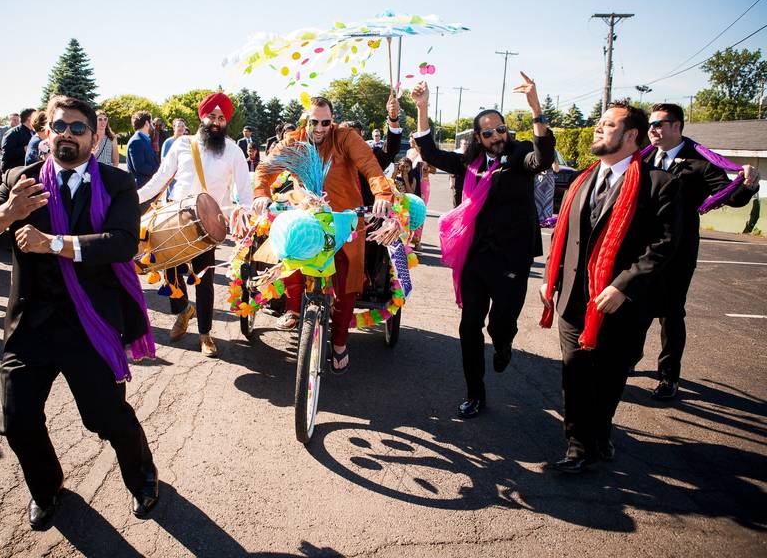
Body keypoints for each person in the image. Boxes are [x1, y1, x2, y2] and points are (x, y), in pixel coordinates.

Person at [0, 94, 159, 528]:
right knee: (16, 422)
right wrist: (8, 212)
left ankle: (142, 475)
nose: (66, 135)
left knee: (106, 418)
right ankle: (46, 489)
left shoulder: (118, 182)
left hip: (90, 327)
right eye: (58, 126)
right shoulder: (19, 178)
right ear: (46, 131)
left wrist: (55, 244)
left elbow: (124, 242)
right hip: (30, 325)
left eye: (77, 128)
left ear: (95, 134)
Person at [540, 101, 681, 472]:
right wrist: (548, 279)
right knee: (574, 371)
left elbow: (664, 245)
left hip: (623, 304)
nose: (599, 129)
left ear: (631, 135)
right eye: (599, 123)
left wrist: (623, 286)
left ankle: (600, 430)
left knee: (610, 375)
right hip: (573, 299)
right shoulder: (581, 180)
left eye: (608, 124)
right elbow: (562, 234)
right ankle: (577, 445)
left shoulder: (659, 184)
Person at [409, 75, 554, 418]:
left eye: (500, 130)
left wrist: (535, 108)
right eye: (488, 133)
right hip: (474, 257)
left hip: (511, 259)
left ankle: (504, 341)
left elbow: (543, 158)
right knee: (469, 325)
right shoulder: (467, 162)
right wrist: (423, 107)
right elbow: (429, 151)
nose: (496, 137)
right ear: (478, 137)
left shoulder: (520, 156)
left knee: (500, 324)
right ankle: (475, 393)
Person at [253, 96, 394, 373]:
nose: (319, 128)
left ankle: (339, 342)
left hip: (344, 221)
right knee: (290, 247)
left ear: (333, 121)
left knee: (347, 279)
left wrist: (382, 194)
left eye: (325, 122)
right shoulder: (294, 141)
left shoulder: (345, 137)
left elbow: (370, 166)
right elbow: (266, 169)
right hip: (306, 216)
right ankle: (293, 308)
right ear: (306, 120)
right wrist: (261, 193)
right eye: (314, 122)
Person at [638, 103, 760, 400]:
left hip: (678, 251)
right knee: (637, 306)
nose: (652, 129)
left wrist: (747, 185)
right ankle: (630, 358)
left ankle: (668, 377)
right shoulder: (644, 158)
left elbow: (731, 197)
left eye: (659, 124)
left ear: (677, 126)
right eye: (650, 124)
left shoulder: (700, 162)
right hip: (642, 248)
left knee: (670, 314)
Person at [137, 93, 253, 358]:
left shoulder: (234, 151)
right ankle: (182, 311)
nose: (215, 122)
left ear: (226, 122)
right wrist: (132, 198)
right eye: (211, 116)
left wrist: (242, 215)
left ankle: (205, 334)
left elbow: (245, 194)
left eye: (221, 118)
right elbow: (159, 181)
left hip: (208, 227)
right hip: (174, 221)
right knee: (171, 272)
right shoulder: (182, 145)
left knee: (205, 280)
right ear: (202, 117)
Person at [125, 111, 159, 188]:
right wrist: (159, 171)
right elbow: (140, 167)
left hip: (147, 188)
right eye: (152, 122)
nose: (153, 125)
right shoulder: (136, 141)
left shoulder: (143, 139)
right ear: (147, 123)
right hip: (142, 189)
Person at [0, 108, 36, 172]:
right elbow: (7, 154)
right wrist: (25, 148)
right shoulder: (12, 133)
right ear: (29, 118)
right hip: (14, 172)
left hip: (30, 170)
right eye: (36, 116)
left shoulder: (34, 133)